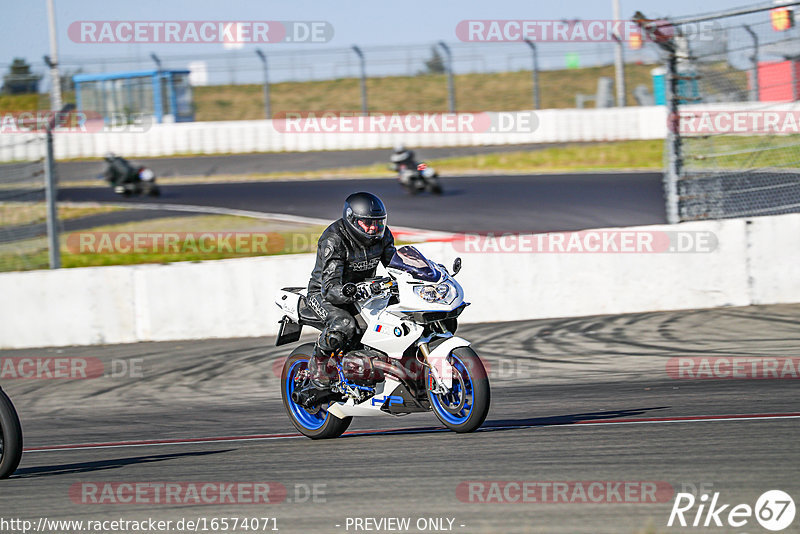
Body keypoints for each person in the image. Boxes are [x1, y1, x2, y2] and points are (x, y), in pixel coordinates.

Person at [305, 192, 396, 386]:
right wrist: (353, 291)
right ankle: (318, 363)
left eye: (378, 223)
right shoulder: (334, 239)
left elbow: (395, 265)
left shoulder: (384, 234)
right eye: (367, 223)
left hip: (363, 292)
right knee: (344, 324)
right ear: (352, 220)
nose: (374, 228)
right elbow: (329, 288)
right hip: (324, 294)